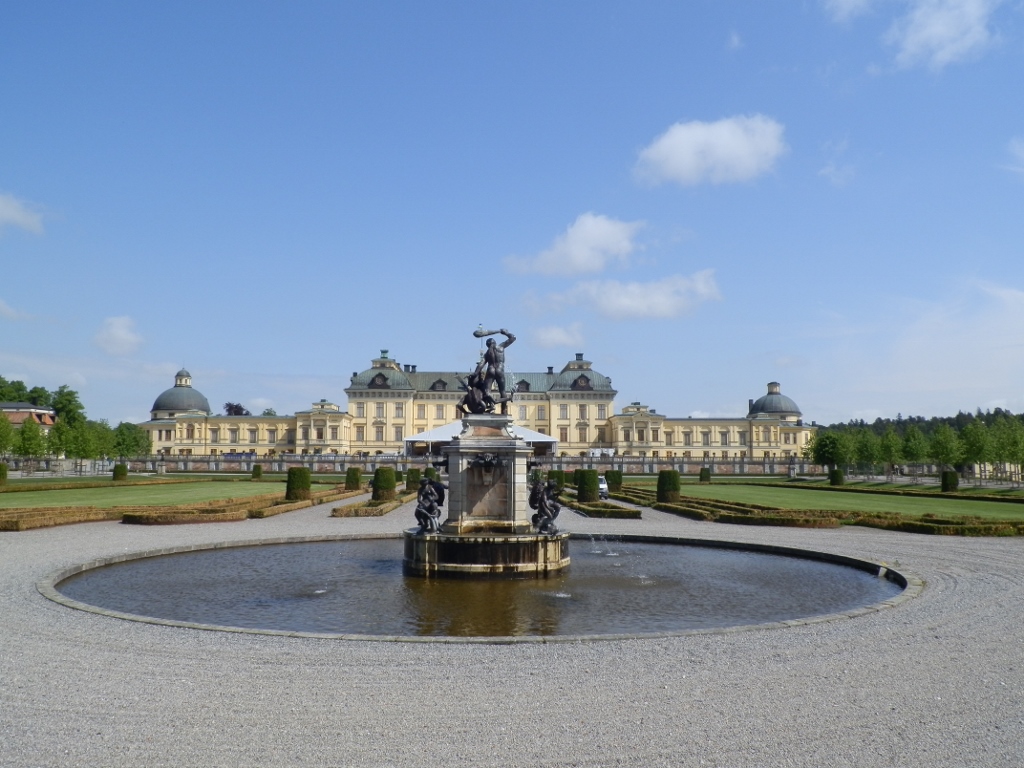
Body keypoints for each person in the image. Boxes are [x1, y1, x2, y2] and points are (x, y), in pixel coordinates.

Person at [472, 328, 516, 414]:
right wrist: (506, 333)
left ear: (487, 345)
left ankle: (491, 405)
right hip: (500, 370)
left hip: (491, 370)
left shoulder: (487, 353)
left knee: (487, 391)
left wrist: (475, 373)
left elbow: (481, 364)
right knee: (502, 391)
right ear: (495, 343)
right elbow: (513, 338)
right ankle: (503, 411)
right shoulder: (501, 347)